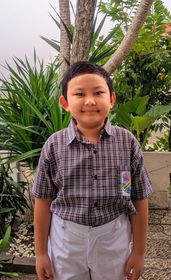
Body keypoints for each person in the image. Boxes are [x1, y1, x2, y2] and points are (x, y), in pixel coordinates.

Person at [32, 61, 153, 280]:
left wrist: (138, 252)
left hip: (113, 235)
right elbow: (43, 200)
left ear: (112, 99)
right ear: (65, 103)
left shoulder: (127, 143)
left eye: (98, 92)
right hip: (66, 238)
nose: (89, 101)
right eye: (79, 94)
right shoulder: (54, 146)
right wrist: (41, 253)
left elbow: (138, 197)